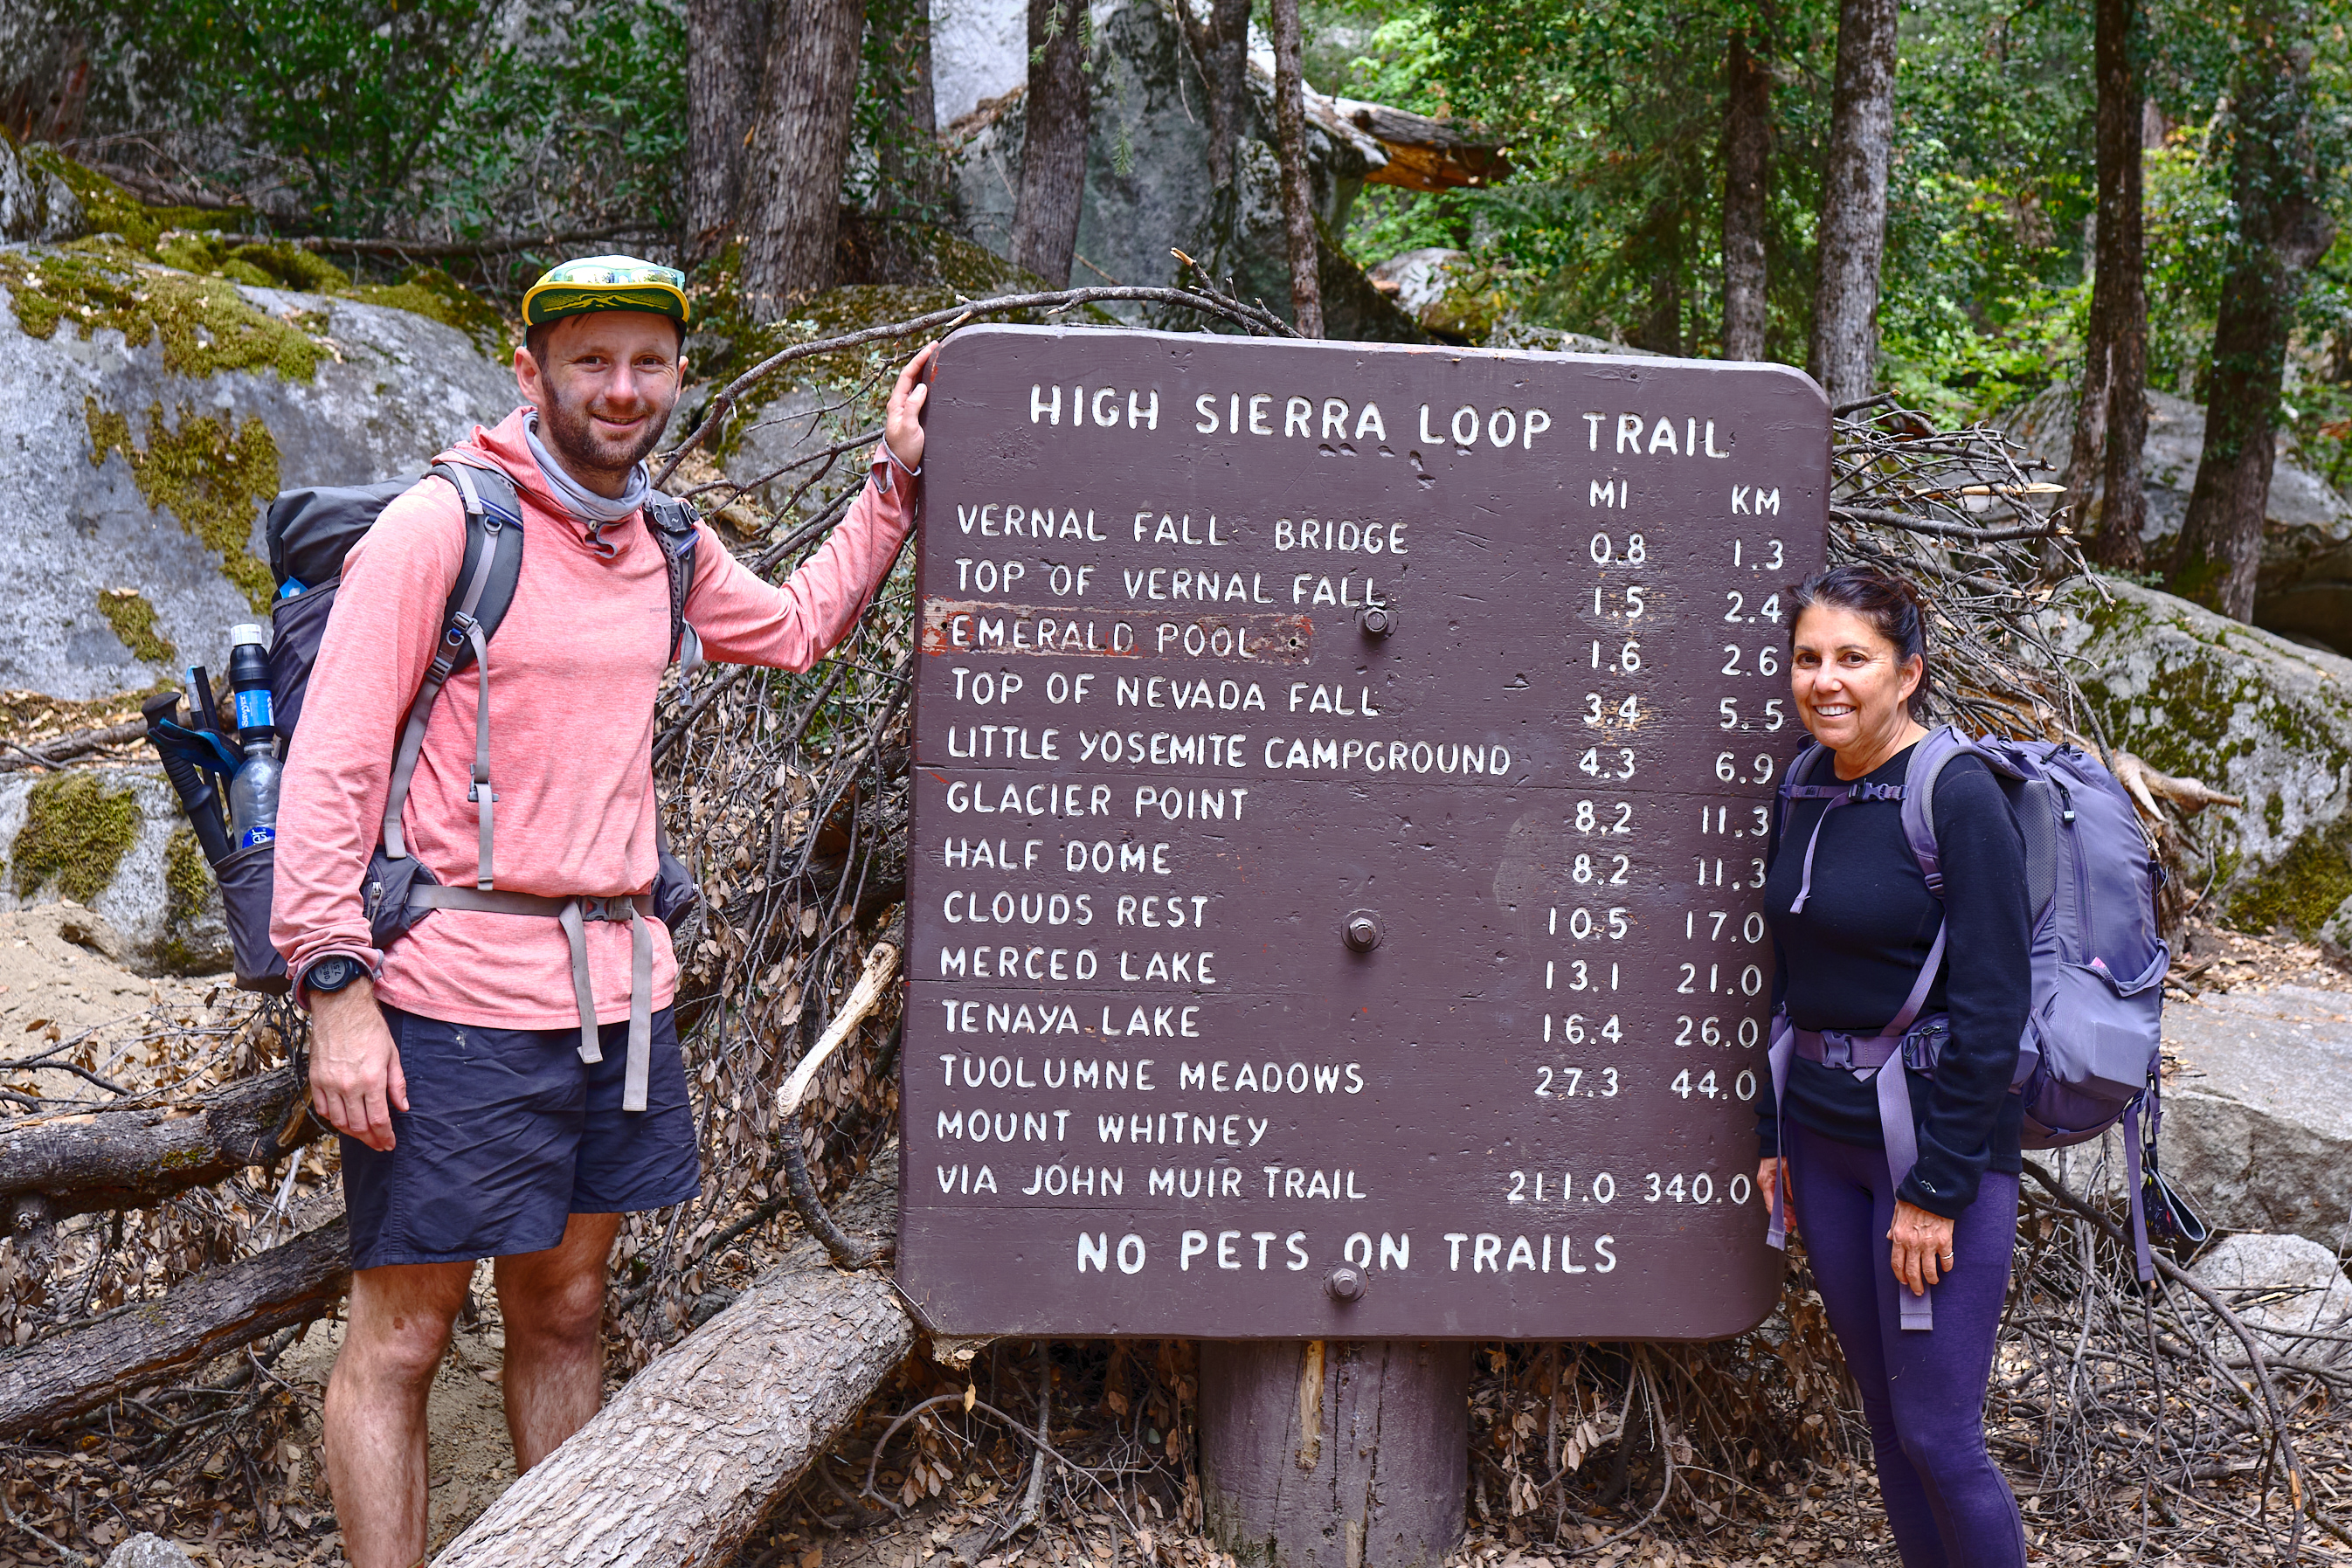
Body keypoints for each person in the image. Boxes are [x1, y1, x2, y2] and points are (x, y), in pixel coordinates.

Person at [272, 253, 936, 1568]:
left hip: (617, 1000)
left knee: (567, 1307)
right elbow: (333, 761)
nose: (621, 388)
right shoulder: (445, 527)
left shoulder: (665, 542)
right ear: (532, 372)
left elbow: (795, 628)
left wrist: (893, 481)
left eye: (647, 362)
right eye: (591, 361)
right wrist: (334, 988)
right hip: (448, 997)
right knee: (404, 1334)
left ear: (678, 375)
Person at [1752, 563, 2031, 1567]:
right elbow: (1789, 979)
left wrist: (1937, 1190)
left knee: (1940, 1435)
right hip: (1822, 1144)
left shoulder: (1955, 794)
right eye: (1808, 658)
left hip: (1932, 1154)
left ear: (1906, 673)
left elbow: (1995, 1006)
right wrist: (1771, 1136)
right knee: (1888, 1423)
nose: (1825, 680)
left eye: (1853, 658)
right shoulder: (1802, 783)